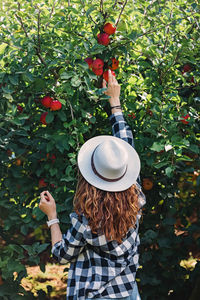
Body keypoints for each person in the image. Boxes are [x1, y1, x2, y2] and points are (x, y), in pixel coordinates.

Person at [39, 70, 146, 300]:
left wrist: (52, 216)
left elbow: (61, 254)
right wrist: (115, 103)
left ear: (89, 179)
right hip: (127, 294)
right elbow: (126, 144)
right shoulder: (136, 198)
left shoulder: (86, 222)